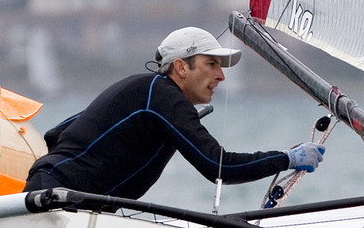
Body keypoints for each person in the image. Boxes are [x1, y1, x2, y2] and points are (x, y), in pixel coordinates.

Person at [24, 26, 325, 201]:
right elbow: (218, 166)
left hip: (67, 199)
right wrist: (287, 159)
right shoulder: (162, 95)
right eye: (211, 64)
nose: (221, 76)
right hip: (58, 196)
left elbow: (59, 134)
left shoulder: (147, 92)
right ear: (181, 67)